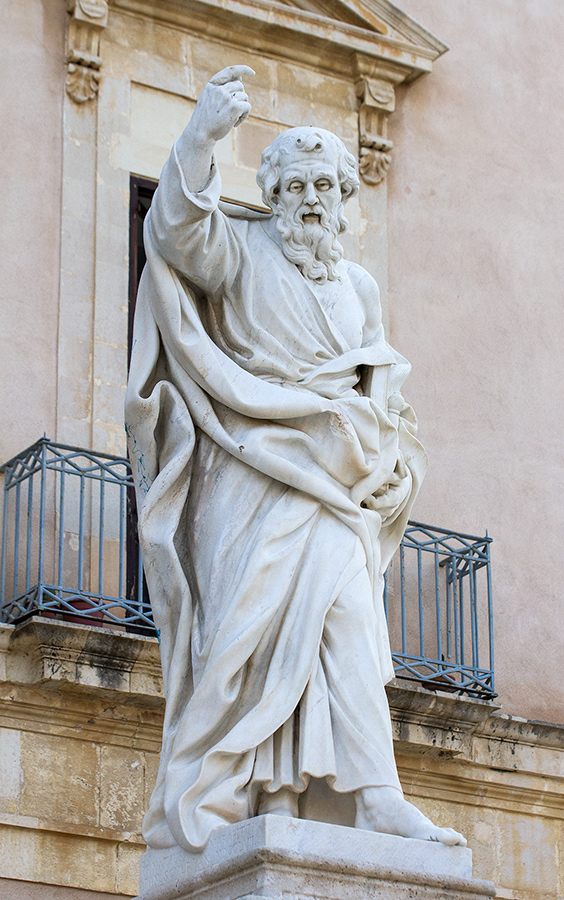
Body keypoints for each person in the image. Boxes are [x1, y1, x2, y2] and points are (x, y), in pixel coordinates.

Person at [125, 65, 466, 852]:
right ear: (272, 195)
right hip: (253, 476)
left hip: (337, 488)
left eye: (325, 187)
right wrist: (203, 136)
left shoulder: (360, 288)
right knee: (242, 637)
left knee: (347, 621)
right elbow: (175, 233)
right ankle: (225, 785)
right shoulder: (239, 252)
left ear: (345, 200)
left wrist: (393, 460)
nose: (311, 201)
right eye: (295, 187)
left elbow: (384, 396)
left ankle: (377, 796)